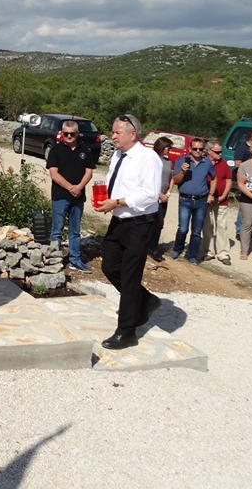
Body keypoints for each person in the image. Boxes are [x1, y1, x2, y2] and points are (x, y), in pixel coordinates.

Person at [94, 114, 162, 351]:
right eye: (112, 132)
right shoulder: (118, 155)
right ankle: (146, 300)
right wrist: (108, 202)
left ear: (132, 134)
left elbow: (150, 194)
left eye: (117, 133)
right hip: (119, 219)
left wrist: (119, 202)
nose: (112, 136)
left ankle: (127, 331)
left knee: (130, 275)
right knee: (109, 266)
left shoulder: (148, 158)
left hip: (139, 223)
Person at [46, 120, 95, 273]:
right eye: (65, 133)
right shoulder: (55, 150)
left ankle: (75, 259)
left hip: (78, 197)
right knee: (57, 230)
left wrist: (79, 187)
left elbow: (89, 171)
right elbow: (53, 173)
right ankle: (55, 260)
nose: (68, 136)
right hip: (60, 196)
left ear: (77, 134)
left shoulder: (85, 150)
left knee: (75, 231)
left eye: (71, 134)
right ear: (62, 133)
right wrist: (70, 187)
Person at [169, 137, 216, 264]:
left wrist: (211, 193)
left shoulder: (207, 163)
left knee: (196, 231)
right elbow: (176, 180)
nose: (198, 151)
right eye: (195, 149)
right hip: (185, 199)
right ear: (190, 149)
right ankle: (177, 249)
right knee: (183, 228)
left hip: (201, 201)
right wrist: (183, 172)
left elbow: (214, 178)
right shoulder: (181, 161)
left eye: (201, 149)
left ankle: (192, 255)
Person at [201, 139, 233, 265]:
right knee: (207, 226)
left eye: (221, 152)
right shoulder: (203, 162)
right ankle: (208, 251)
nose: (220, 154)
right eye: (217, 152)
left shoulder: (223, 163)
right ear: (209, 151)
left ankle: (223, 253)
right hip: (206, 200)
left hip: (221, 201)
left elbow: (229, 180)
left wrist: (223, 196)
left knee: (222, 226)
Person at [233, 127, 252, 238]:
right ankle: (239, 230)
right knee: (244, 206)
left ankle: (249, 230)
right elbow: (237, 163)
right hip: (244, 180)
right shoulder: (242, 147)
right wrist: (250, 167)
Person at [148, 136, 174, 261]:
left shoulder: (168, 162)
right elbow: (148, 179)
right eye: (167, 147)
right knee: (150, 222)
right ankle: (147, 246)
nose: (169, 149)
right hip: (152, 196)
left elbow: (171, 178)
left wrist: (168, 193)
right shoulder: (151, 159)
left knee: (159, 223)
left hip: (163, 197)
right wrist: (158, 194)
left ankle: (153, 247)